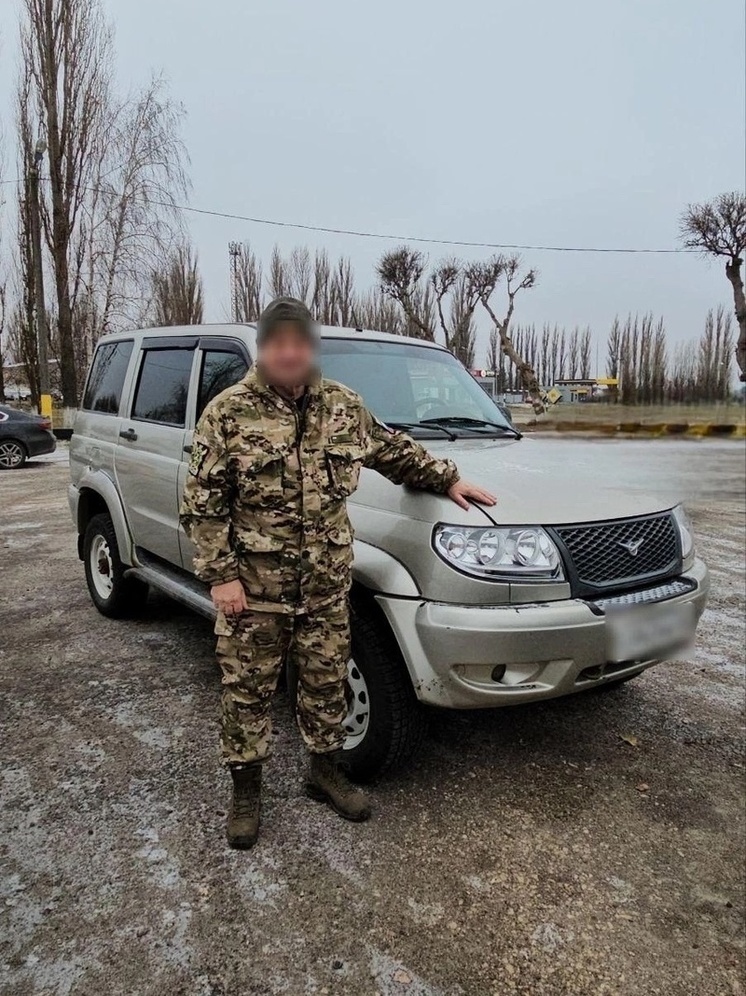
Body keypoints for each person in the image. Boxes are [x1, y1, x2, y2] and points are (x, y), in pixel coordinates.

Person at [180, 297, 496, 849]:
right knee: (247, 694)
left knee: (326, 686)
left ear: (312, 347)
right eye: (278, 343)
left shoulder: (343, 407)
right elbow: (202, 504)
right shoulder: (227, 413)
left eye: (299, 342)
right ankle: (247, 792)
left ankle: (324, 773)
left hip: (326, 588)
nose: (289, 352)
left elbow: (393, 450)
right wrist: (222, 577)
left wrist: (447, 479)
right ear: (263, 348)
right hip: (254, 595)